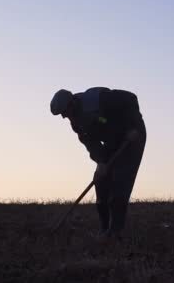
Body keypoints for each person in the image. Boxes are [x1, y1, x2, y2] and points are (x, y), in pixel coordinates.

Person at [50, 87, 146, 240]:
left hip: (132, 136)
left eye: (65, 112)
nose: (64, 117)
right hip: (112, 141)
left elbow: (130, 98)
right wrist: (100, 161)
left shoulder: (98, 99)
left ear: (72, 103)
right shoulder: (76, 123)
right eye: (62, 114)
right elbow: (91, 143)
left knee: (120, 182)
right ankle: (104, 229)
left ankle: (115, 232)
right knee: (100, 182)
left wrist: (133, 126)